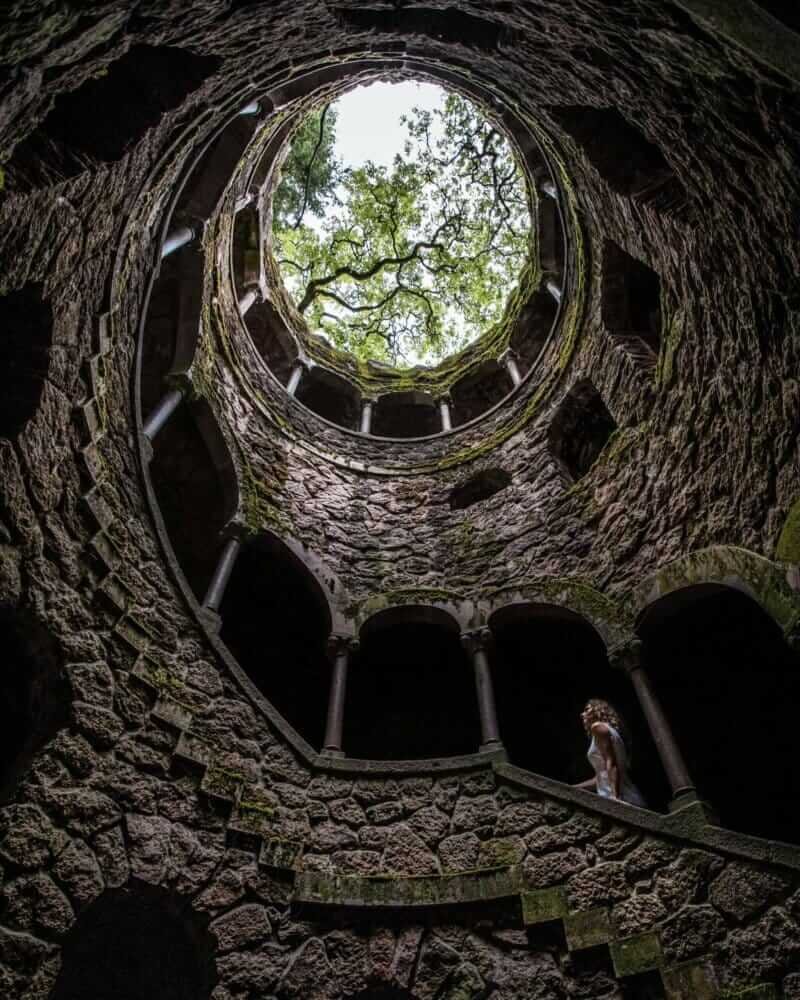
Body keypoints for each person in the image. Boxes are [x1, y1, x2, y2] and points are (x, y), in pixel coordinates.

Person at [575, 698, 646, 807]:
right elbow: (601, 776)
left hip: (619, 797)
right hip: (627, 795)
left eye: (587, 709)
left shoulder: (597, 727)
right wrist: (575, 788)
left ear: (598, 711)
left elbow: (611, 762)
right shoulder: (608, 731)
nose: (582, 714)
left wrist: (615, 797)